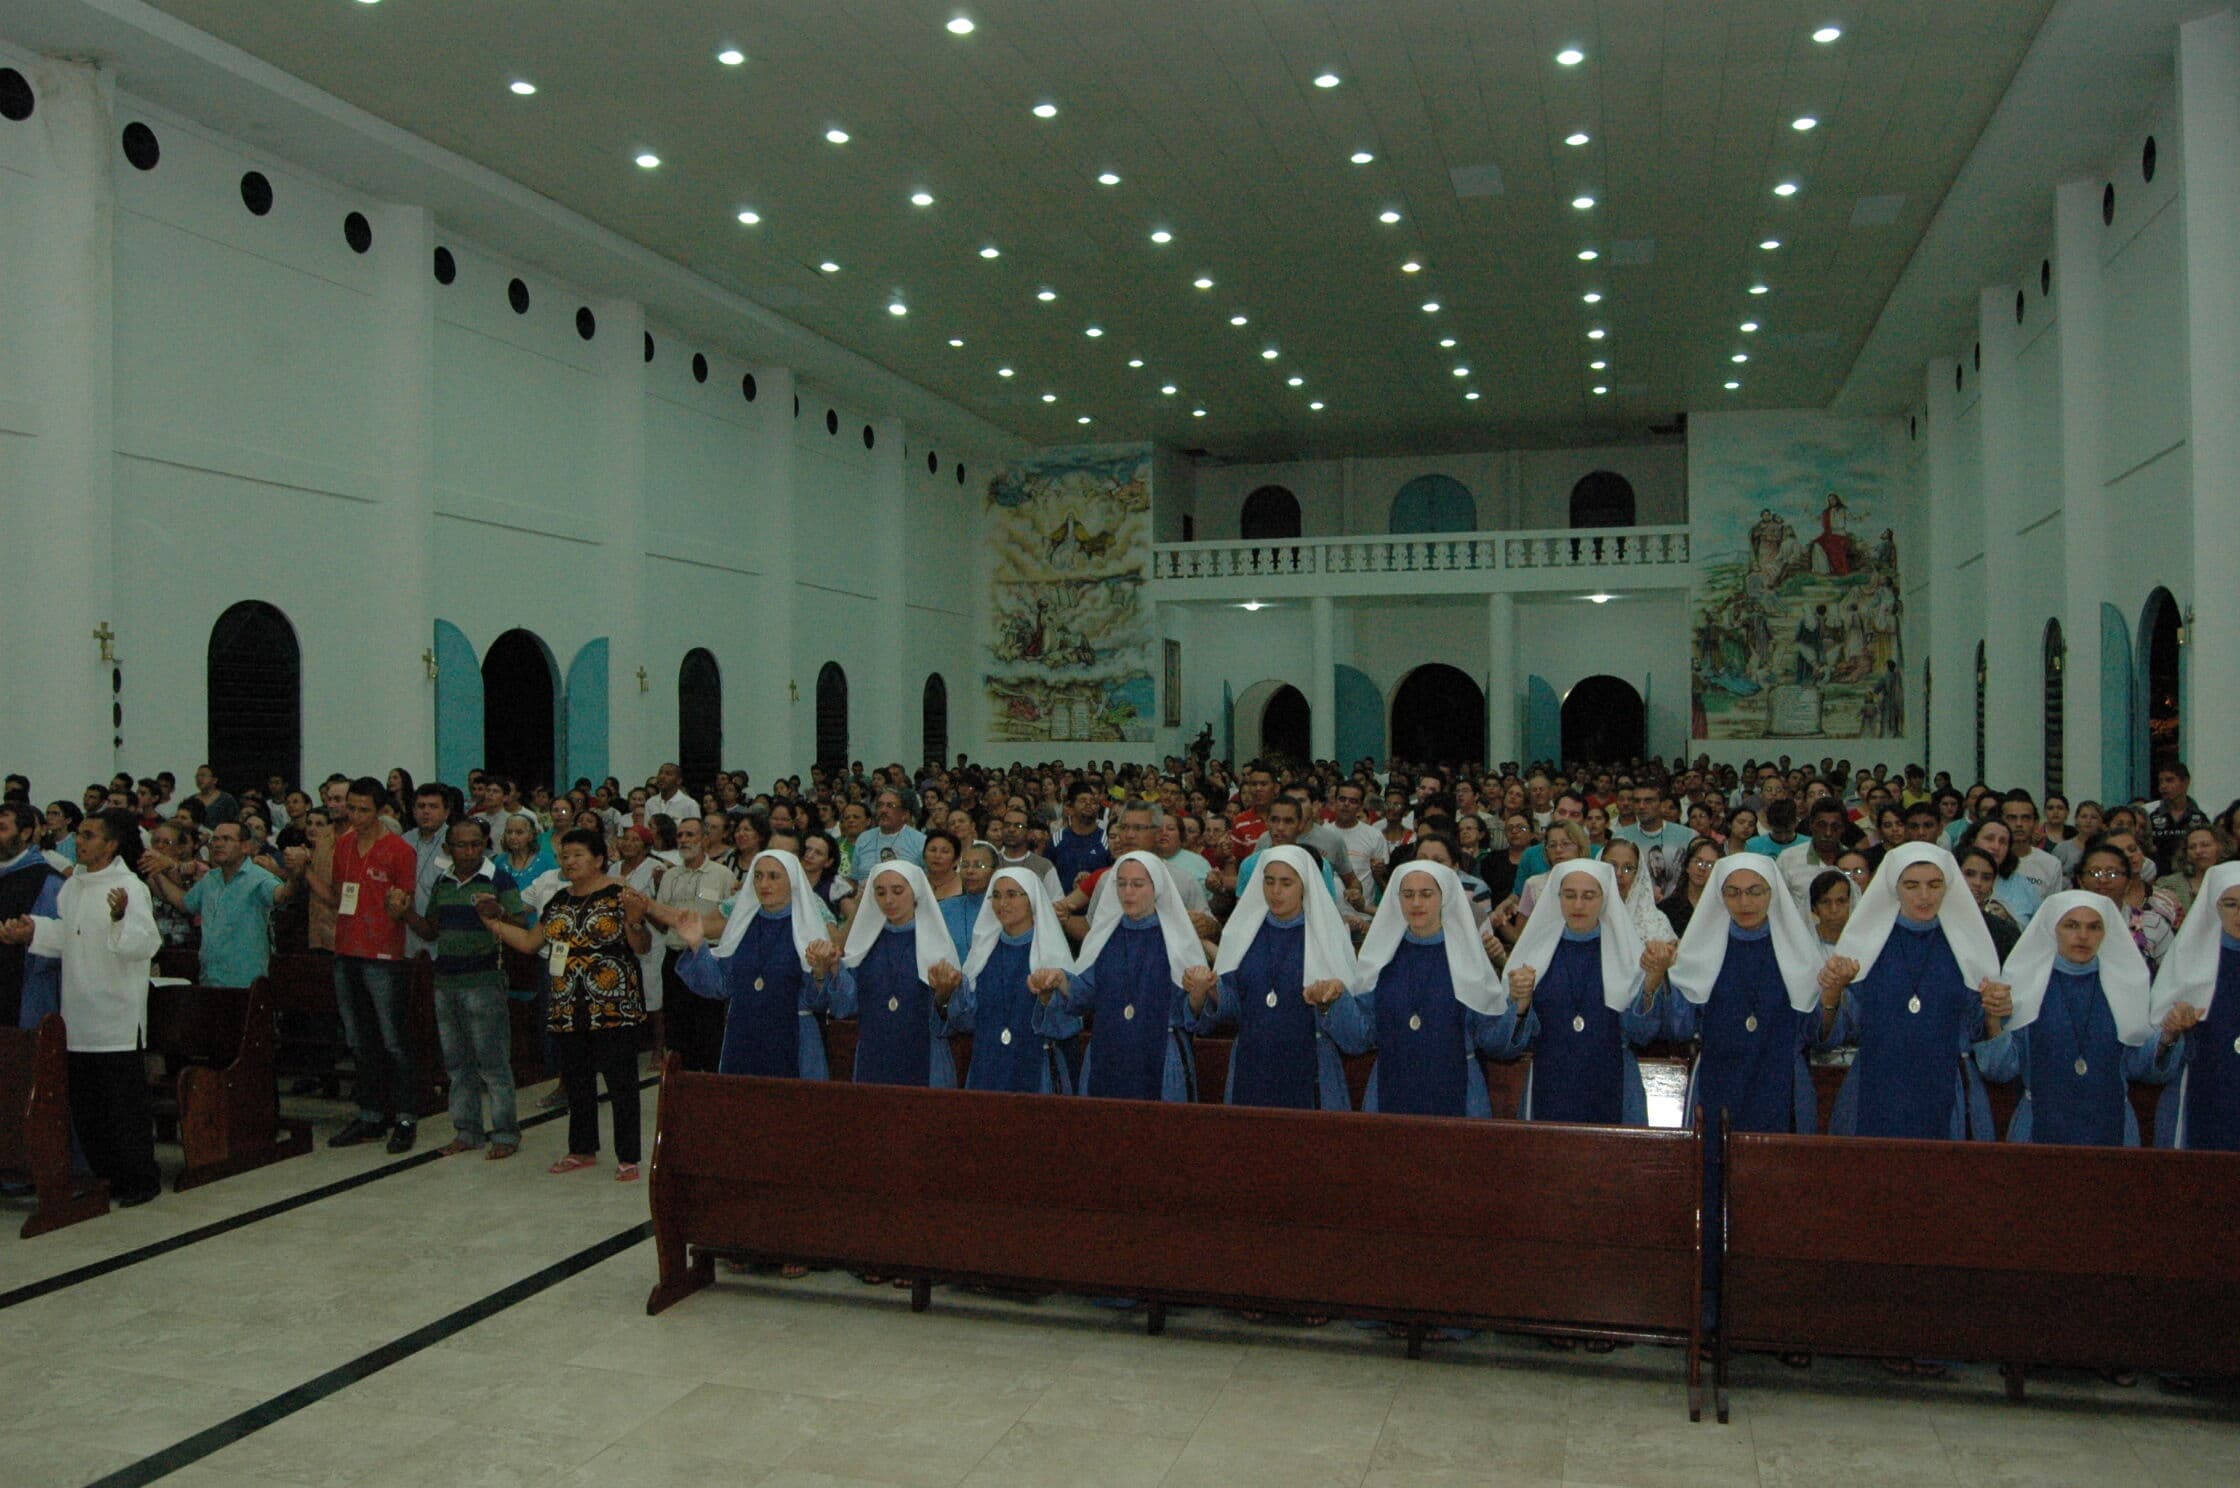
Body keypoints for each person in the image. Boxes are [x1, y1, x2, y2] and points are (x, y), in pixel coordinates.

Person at [1663, 855, 1828, 1328]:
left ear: (1773, 895)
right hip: (1717, 1088)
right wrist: (1664, 978)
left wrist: (1832, 996)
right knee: (1711, 1197)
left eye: (1755, 891)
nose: (1744, 902)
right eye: (1732, 893)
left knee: (1779, 1198)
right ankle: (1710, 1309)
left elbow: (1821, 1032)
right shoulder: (1701, 949)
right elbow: (1676, 1025)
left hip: (1781, 1086)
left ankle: (1775, 1317)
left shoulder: (1799, 950)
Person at [0, 809, 163, 1205]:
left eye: (90, 835)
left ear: (111, 844)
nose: (80, 841)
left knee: (121, 1106)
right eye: (80, 835)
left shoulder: (129, 887)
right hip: (78, 1012)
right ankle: (103, 1177)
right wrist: (33, 930)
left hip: (115, 1015)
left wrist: (119, 919)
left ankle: (140, 1181)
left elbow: (146, 943)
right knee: (89, 1106)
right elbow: (67, 936)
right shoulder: (73, 887)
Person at [481, 827, 652, 1179]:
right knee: (577, 1079)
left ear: (599, 859)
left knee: (621, 1082)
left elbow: (642, 946)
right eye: (565, 855)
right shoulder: (559, 900)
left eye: (577, 855)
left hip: (612, 1003)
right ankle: (582, 1148)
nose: (569, 861)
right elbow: (531, 942)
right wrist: (492, 923)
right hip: (567, 1003)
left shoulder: (620, 892)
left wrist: (634, 919)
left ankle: (629, 1155)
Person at [1817, 842, 2011, 1140]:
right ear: (1895, 888)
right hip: (1877, 1083)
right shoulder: (1868, 944)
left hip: (1947, 1085)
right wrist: (1833, 991)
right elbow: (1837, 1033)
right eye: (1912, 885)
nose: (1924, 896)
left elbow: (1978, 1030)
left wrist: (1994, 1011)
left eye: (1934, 885)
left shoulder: (1967, 946)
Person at [1973, 891, 2178, 1145]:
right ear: (2052, 929)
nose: (2083, 936)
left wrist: (2169, 1035)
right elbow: (2000, 1070)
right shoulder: (2024, 984)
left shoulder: (2127, 986)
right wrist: (1994, 1020)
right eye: (2072, 925)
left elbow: (2141, 1067)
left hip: (2112, 1126)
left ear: (2106, 933)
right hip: (2039, 1126)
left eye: (2094, 927)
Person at [1319, 861, 1516, 1116]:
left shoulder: (1467, 957)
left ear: (1444, 898)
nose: (1416, 903)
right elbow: (1360, 1038)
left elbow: (1491, 1038)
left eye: (1426, 894)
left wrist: (1519, 1006)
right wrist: (1335, 1001)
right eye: (1408, 895)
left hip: (1458, 1091)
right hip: (1390, 1086)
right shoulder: (1381, 957)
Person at [392, 819, 526, 1159]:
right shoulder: (443, 882)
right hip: (446, 981)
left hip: (484, 981)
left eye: (476, 844)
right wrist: (406, 913)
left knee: (493, 1063)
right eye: (461, 846)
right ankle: (467, 1130)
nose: (469, 852)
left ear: (485, 845)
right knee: (457, 1063)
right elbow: (430, 931)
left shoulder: (498, 879)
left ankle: (506, 1134)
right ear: (448, 848)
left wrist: (498, 913)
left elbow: (522, 925)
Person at [1503, 859, 1669, 1123]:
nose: (1578, 905)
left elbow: (1643, 1033)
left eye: (1589, 896)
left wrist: (1651, 982)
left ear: (1605, 898)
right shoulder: (1534, 953)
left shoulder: (1627, 952)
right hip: (1551, 1078)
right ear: (1557, 898)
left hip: (1613, 1076)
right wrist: (1520, 1004)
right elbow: (1509, 1043)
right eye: (1570, 895)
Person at [1040, 852, 1215, 1101]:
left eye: (1137, 884)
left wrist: (1198, 991)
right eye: (1121, 884)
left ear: (1156, 888)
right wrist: (1061, 980)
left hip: (1162, 1055)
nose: (1128, 892)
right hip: (1107, 1049)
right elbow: (1085, 994)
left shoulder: (1178, 938)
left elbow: (1192, 1011)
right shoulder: (1103, 936)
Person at [308, 777, 423, 1153]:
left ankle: (405, 1115)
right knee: (359, 1038)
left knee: (392, 1039)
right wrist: (304, 873)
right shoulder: (343, 846)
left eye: (363, 810)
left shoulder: (399, 850)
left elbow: (404, 904)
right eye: (350, 808)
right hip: (347, 950)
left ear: (379, 811)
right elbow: (338, 896)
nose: (355, 816)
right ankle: (371, 1114)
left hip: (383, 955)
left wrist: (398, 908)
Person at [1198, 845, 1357, 1110]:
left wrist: (1330, 1000)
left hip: (1309, 1065)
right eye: (1269, 881)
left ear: (1304, 886)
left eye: (1286, 883)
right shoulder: (1243, 933)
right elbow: (1234, 1007)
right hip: (1252, 1061)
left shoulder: (1327, 934)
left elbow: (1351, 1028)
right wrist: (1212, 991)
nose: (1275, 891)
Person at [673, 849, 839, 1079]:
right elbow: (721, 986)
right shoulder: (742, 923)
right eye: (758, 876)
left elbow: (818, 1002)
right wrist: (696, 945)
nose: (764, 884)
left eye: (773, 876)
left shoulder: (808, 926)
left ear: (792, 881)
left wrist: (820, 972)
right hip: (742, 1035)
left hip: (793, 1038)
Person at [829, 861, 966, 1085]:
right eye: (880, 893)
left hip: (924, 1055)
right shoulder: (864, 943)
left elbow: (954, 1018)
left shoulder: (936, 943)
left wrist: (944, 994)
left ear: (916, 892)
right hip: (873, 1054)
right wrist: (835, 970)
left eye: (898, 891)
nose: (889, 900)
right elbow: (845, 1006)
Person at [956, 867, 1076, 1093]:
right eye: (997, 896)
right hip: (986, 1065)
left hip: (1035, 1066)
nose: (1003, 903)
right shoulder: (982, 954)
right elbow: (965, 1021)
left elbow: (1068, 1025)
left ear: (1031, 900)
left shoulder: (1049, 953)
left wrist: (1048, 997)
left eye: (1012, 894)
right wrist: (948, 994)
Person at [2150, 861, 2240, 1149]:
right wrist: (2174, 1027)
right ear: (2214, 907)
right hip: (2204, 1085)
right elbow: (2156, 1046)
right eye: (2231, 904)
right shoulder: (2189, 959)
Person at [144, 819, 291, 989]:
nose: (218, 844)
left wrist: (295, 875)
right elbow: (185, 903)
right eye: (215, 839)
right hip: (210, 978)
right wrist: (158, 873)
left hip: (245, 982)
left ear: (245, 846)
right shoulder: (211, 879)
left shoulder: (259, 878)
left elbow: (282, 895)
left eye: (226, 839)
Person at [643, 815, 738, 1073]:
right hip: (674, 958)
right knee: (677, 1029)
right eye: (680, 835)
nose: (684, 840)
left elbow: (729, 920)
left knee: (708, 1030)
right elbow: (663, 922)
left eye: (690, 835)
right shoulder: (670, 876)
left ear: (705, 839)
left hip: (707, 959)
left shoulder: (723, 875)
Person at [2080, 834, 2182, 968]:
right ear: (2080, 880)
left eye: (2113, 873)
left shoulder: (2150, 923)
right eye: (2095, 873)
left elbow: (2171, 975)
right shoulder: (2065, 922)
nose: (2103, 880)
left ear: (2127, 882)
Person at [0, 803, 62, 1026]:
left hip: (25, 994)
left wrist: (24, 934)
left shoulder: (47, 881)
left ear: (25, 833)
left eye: (2, 828)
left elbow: (55, 947)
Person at [1614, 784, 1695, 899]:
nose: (1641, 806)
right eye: (1637, 801)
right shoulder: (1621, 836)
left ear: (1662, 804)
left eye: (1649, 801)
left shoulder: (1687, 836)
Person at [1957, 846, 2022, 961]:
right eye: (1970, 874)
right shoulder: (1934, 923)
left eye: (1986, 878)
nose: (1978, 883)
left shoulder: (2005, 932)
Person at [851, 788, 928, 878]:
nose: (883, 810)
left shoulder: (920, 841)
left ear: (904, 814)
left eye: (890, 806)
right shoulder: (864, 838)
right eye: (880, 805)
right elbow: (854, 879)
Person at [1657, 838, 1722, 939]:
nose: (1702, 868)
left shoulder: (1722, 909)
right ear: (1687, 866)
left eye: (1710, 865)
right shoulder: (1666, 909)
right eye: (1698, 862)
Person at [1807, 869, 1853, 953]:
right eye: (1825, 902)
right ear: (1814, 908)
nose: (1833, 909)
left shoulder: (1863, 940)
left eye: (1841, 901)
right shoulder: (1804, 941)